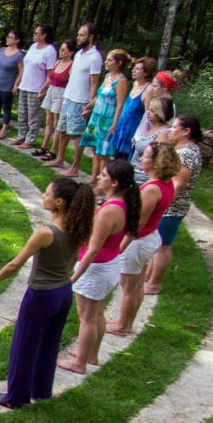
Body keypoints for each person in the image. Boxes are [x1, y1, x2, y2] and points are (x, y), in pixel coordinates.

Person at [0, 178, 96, 408]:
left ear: (59, 202)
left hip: (41, 295)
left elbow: (15, 264)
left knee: (24, 346)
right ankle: (42, 391)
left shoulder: (46, 233)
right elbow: (72, 261)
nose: (43, 196)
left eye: (47, 193)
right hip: (63, 293)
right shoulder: (78, 228)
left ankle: (15, 398)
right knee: (49, 345)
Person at [57, 158, 141, 374]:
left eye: (104, 175)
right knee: (97, 314)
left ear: (114, 183)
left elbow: (92, 250)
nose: (99, 177)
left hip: (96, 268)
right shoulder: (124, 203)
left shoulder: (109, 212)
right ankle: (91, 354)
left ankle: (80, 363)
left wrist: (74, 277)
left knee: (87, 318)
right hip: (109, 264)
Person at [106, 142, 180, 336]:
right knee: (136, 284)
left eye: (146, 156)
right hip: (149, 237)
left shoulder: (151, 189)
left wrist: (119, 248)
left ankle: (123, 325)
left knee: (129, 286)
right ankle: (126, 321)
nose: (141, 159)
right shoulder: (167, 183)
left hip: (138, 242)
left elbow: (137, 224)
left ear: (156, 163)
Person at [144, 113, 202, 296]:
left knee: (163, 245)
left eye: (175, 127)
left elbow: (177, 184)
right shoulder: (182, 150)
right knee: (156, 242)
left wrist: (161, 205)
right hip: (169, 205)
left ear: (186, 131)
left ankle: (154, 283)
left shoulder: (187, 154)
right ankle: (148, 276)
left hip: (172, 207)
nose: (171, 130)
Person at [46, 23, 102, 175]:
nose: (78, 38)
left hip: (80, 101)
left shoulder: (95, 57)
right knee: (62, 130)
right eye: (78, 35)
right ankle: (60, 159)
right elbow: (72, 78)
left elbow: (94, 83)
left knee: (77, 135)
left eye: (82, 35)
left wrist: (89, 105)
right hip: (69, 97)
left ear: (91, 37)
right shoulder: (78, 54)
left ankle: (75, 168)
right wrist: (65, 96)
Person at [78, 49, 130, 182]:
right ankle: (94, 178)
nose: (106, 62)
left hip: (107, 120)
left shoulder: (121, 81)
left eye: (110, 60)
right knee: (94, 149)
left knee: (103, 153)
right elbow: (99, 96)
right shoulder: (107, 76)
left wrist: (114, 124)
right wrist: (88, 107)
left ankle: (102, 181)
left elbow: (120, 104)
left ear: (119, 63)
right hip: (96, 117)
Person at [12, 25, 57, 149]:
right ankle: (21, 137)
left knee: (33, 115)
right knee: (22, 114)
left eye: (37, 33)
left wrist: (43, 90)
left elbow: (50, 74)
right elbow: (25, 67)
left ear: (44, 35)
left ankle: (30, 139)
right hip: (25, 85)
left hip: (36, 88)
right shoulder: (32, 47)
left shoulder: (50, 51)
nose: (34, 35)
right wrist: (17, 82)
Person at [34, 39, 75, 161]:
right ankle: (44, 147)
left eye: (63, 50)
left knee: (57, 123)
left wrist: (64, 98)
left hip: (61, 93)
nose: (60, 51)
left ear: (71, 52)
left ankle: (53, 150)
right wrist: (42, 90)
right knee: (48, 122)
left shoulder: (72, 65)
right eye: (60, 49)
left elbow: (70, 84)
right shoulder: (57, 62)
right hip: (51, 91)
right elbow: (50, 79)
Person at [131, 74, 177, 181]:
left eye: (155, 86)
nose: (152, 88)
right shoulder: (153, 126)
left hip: (143, 176)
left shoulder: (163, 132)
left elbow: (157, 155)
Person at [111, 56, 156, 162]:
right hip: (122, 127)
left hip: (133, 131)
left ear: (146, 73)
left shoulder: (148, 90)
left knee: (125, 161)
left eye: (137, 69)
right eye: (134, 68)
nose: (133, 71)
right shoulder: (135, 84)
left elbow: (147, 116)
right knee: (116, 158)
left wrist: (142, 136)